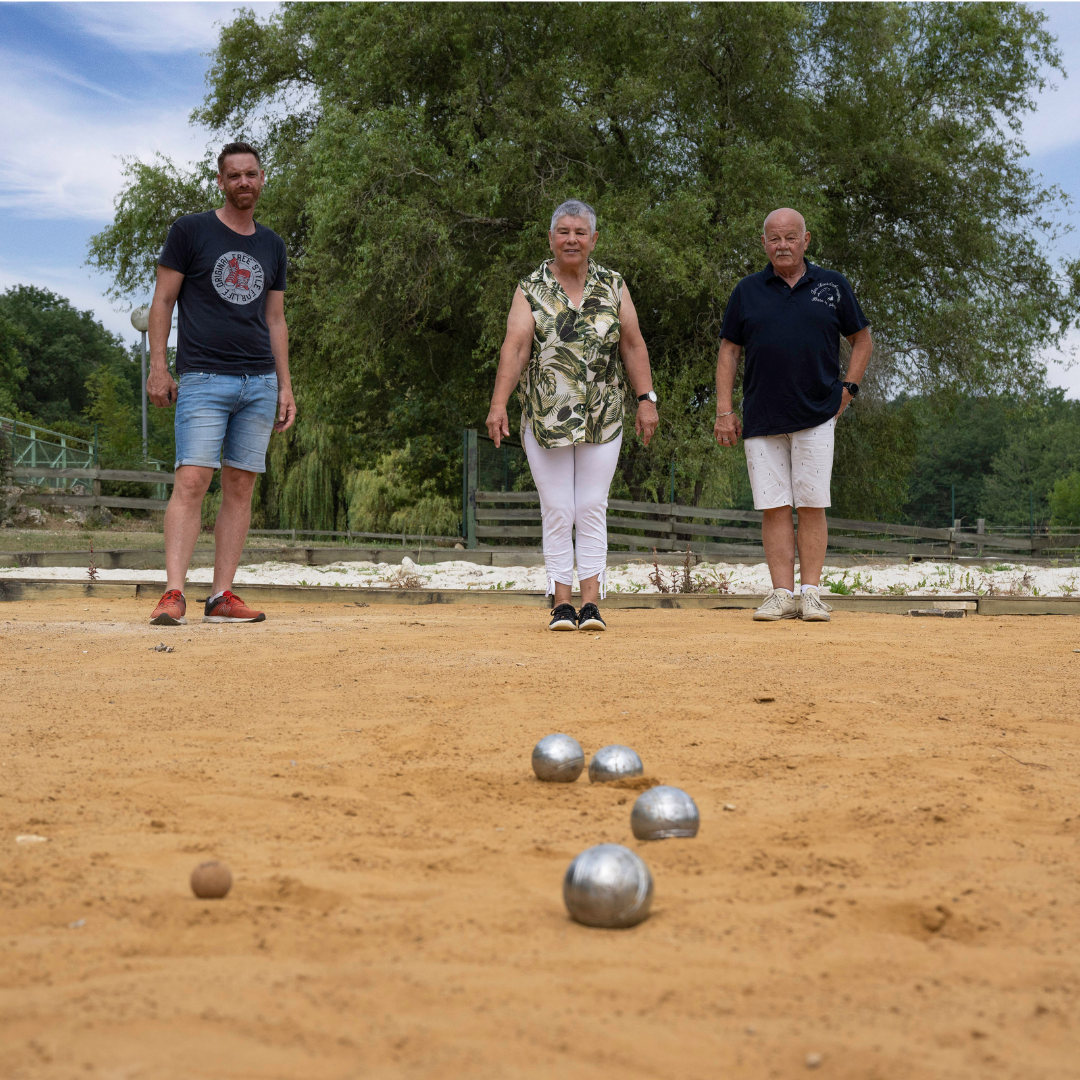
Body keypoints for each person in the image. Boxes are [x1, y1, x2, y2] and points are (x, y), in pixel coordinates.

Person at [485, 199, 659, 631]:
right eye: (563, 231)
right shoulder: (530, 288)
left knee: (591, 506)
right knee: (559, 507)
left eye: (580, 232)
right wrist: (498, 403)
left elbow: (633, 345)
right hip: (546, 418)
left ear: (593, 239)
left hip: (605, 416)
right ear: (550, 238)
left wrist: (646, 398)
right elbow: (517, 346)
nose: (571, 239)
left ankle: (591, 603)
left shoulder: (614, 285)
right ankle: (561, 603)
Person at [145, 141, 296, 626]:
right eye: (234, 176)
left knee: (240, 485)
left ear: (263, 178)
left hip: (259, 381)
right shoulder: (190, 231)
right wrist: (158, 366)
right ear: (220, 181)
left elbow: (275, 319)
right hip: (203, 377)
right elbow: (163, 302)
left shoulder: (272, 245)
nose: (244, 183)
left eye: (251, 174)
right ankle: (173, 593)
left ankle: (221, 596)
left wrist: (286, 387)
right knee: (192, 480)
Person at [714, 207, 872, 622]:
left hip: (818, 413)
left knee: (813, 503)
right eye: (773, 238)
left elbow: (862, 340)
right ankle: (782, 594)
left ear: (806, 240)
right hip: (762, 416)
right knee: (774, 506)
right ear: (764, 243)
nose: (782, 245)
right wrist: (724, 410)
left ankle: (813, 593)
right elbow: (729, 351)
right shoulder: (746, 290)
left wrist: (848, 389)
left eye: (790, 237)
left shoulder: (833, 285)